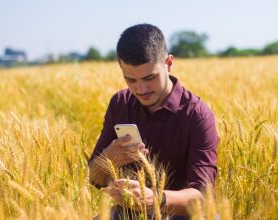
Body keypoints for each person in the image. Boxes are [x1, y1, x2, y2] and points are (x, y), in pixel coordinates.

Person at [88, 23, 218, 219]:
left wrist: (157, 199)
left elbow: (203, 198)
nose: (141, 89)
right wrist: (108, 159)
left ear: (169, 63)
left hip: (181, 215)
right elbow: (94, 177)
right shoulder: (120, 103)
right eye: (130, 80)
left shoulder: (197, 115)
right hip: (128, 213)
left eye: (149, 77)